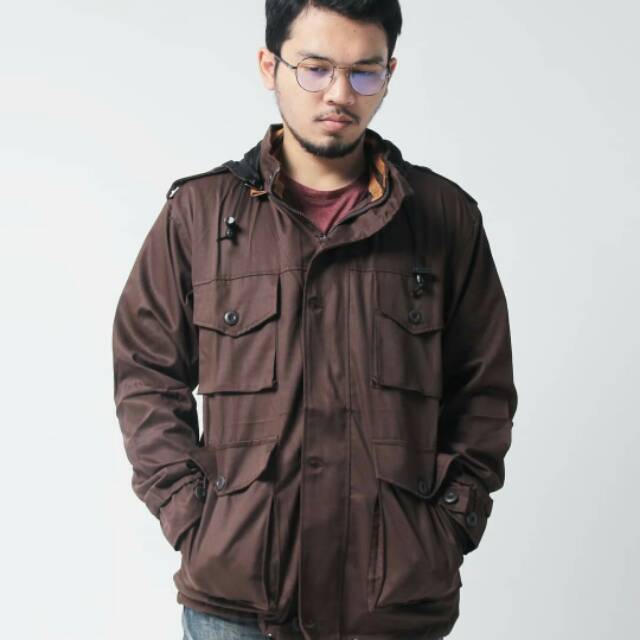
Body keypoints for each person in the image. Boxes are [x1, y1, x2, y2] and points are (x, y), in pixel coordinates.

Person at [112, 1, 518, 638]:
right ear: (268, 65)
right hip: (239, 603)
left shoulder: (444, 219)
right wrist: (193, 517)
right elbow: (146, 375)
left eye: (364, 72)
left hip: (392, 604)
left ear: (389, 74)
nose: (340, 94)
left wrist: (447, 525)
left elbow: (483, 390)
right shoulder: (199, 215)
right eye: (316, 68)